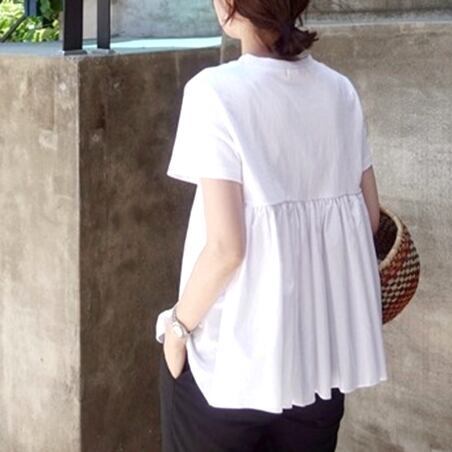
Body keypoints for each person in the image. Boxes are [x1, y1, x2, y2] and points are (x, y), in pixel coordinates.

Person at [154, 0, 388, 450]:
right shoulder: (339, 91)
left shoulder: (214, 92)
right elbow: (369, 218)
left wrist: (177, 329)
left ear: (231, 5)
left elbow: (227, 249)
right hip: (317, 361)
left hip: (228, 366)